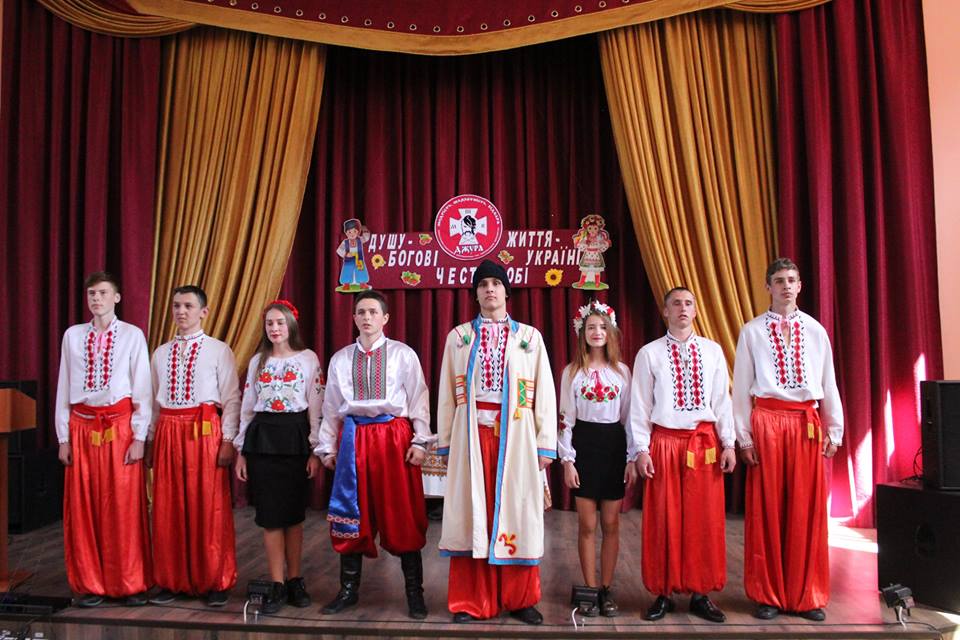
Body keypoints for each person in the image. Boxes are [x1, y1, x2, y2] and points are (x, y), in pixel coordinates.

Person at [437, 259, 557, 625]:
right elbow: (446, 393)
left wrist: (544, 443)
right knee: (473, 514)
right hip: (471, 439)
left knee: (517, 513)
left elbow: (544, 392)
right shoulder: (459, 337)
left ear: (506, 291)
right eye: (483, 284)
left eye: (496, 283)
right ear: (475, 294)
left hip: (516, 439)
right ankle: (471, 600)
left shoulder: (529, 338)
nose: (490, 289)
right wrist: (446, 442)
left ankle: (520, 599)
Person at [733, 258, 843, 622]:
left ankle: (807, 594)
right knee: (767, 509)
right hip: (766, 421)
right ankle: (768, 594)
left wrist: (834, 428)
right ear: (768, 287)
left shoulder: (815, 331)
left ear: (800, 286)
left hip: (805, 424)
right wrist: (744, 437)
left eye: (791, 280)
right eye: (778, 280)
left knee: (805, 509)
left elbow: (828, 382)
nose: (785, 286)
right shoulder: (751, 332)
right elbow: (740, 388)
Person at [316, 290, 434, 619]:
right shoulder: (341, 359)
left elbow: (418, 397)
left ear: (385, 318)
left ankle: (415, 593)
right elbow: (331, 407)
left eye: (372, 312)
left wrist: (420, 441)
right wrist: (327, 446)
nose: (366, 317)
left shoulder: (402, 354)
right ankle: (348, 590)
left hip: (393, 437)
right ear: (354, 318)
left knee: (403, 513)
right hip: (353, 439)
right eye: (361, 312)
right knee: (353, 512)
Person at [630, 287, 736, 623]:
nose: (683, 308)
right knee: (664, 518)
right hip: (664, 443)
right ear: (665, 311)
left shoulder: (713, 351)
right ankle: (663, 591)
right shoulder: (649, 354)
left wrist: (729, 442)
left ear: (696, 310)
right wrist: (641, 449)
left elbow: (722, 401)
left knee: (703, 520)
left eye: (689, 303)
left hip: (704, 445)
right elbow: (640, 405)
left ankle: (700, 592)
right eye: (676, 303)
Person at [55, 271, 152, 607]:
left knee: (123, 505)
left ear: (117, 297)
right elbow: (64, 386)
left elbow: (142, 387)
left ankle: (130, 582)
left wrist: (139, 435)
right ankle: (90, 584)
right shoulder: (72, 336)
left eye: (103, 293)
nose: (96, 299)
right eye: (91, 294)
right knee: (84, 506)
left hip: (119, 427)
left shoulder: (132, 335)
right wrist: (63, 437)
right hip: (81, 427)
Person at [147, 285, 240, 607]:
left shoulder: (218, 350)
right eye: (176, 306)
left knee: (208, 506)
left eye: (188, 306)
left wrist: (227, 440)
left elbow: (231, 398)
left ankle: (215, 580)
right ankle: (172, 580)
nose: (181, 311)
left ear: (204, 312)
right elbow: (153, 401)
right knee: (168, 506)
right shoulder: (160, 353)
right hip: (168, 431)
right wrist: (150, 438)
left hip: (204, 431)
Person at [234, 300, 324, 614]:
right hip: (263, 441)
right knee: (270, 516)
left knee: (294, 515)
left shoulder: (308, 358)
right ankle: (276, 583)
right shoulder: (257, 361)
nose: (274, 328)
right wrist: (242, 451)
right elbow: (247, 407)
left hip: (294, 439)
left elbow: (315, 405)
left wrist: (314, 450)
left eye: (280, 323)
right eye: (270, 323)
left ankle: (295, 579)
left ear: (291, 325)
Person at [559, 299, 635, 617]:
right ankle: (589, 588)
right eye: (591, 327)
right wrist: (568, 460)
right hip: (584, 446)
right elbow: (566, 420)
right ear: (582, 333)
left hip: (613, 446)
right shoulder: (572, 372)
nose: (597, 332)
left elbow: (629, 418)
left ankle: (606, 588)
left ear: (611, 332)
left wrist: (631, 457)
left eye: (602, 326)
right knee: (587, 524)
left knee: (611, 522)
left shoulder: (622, 372)